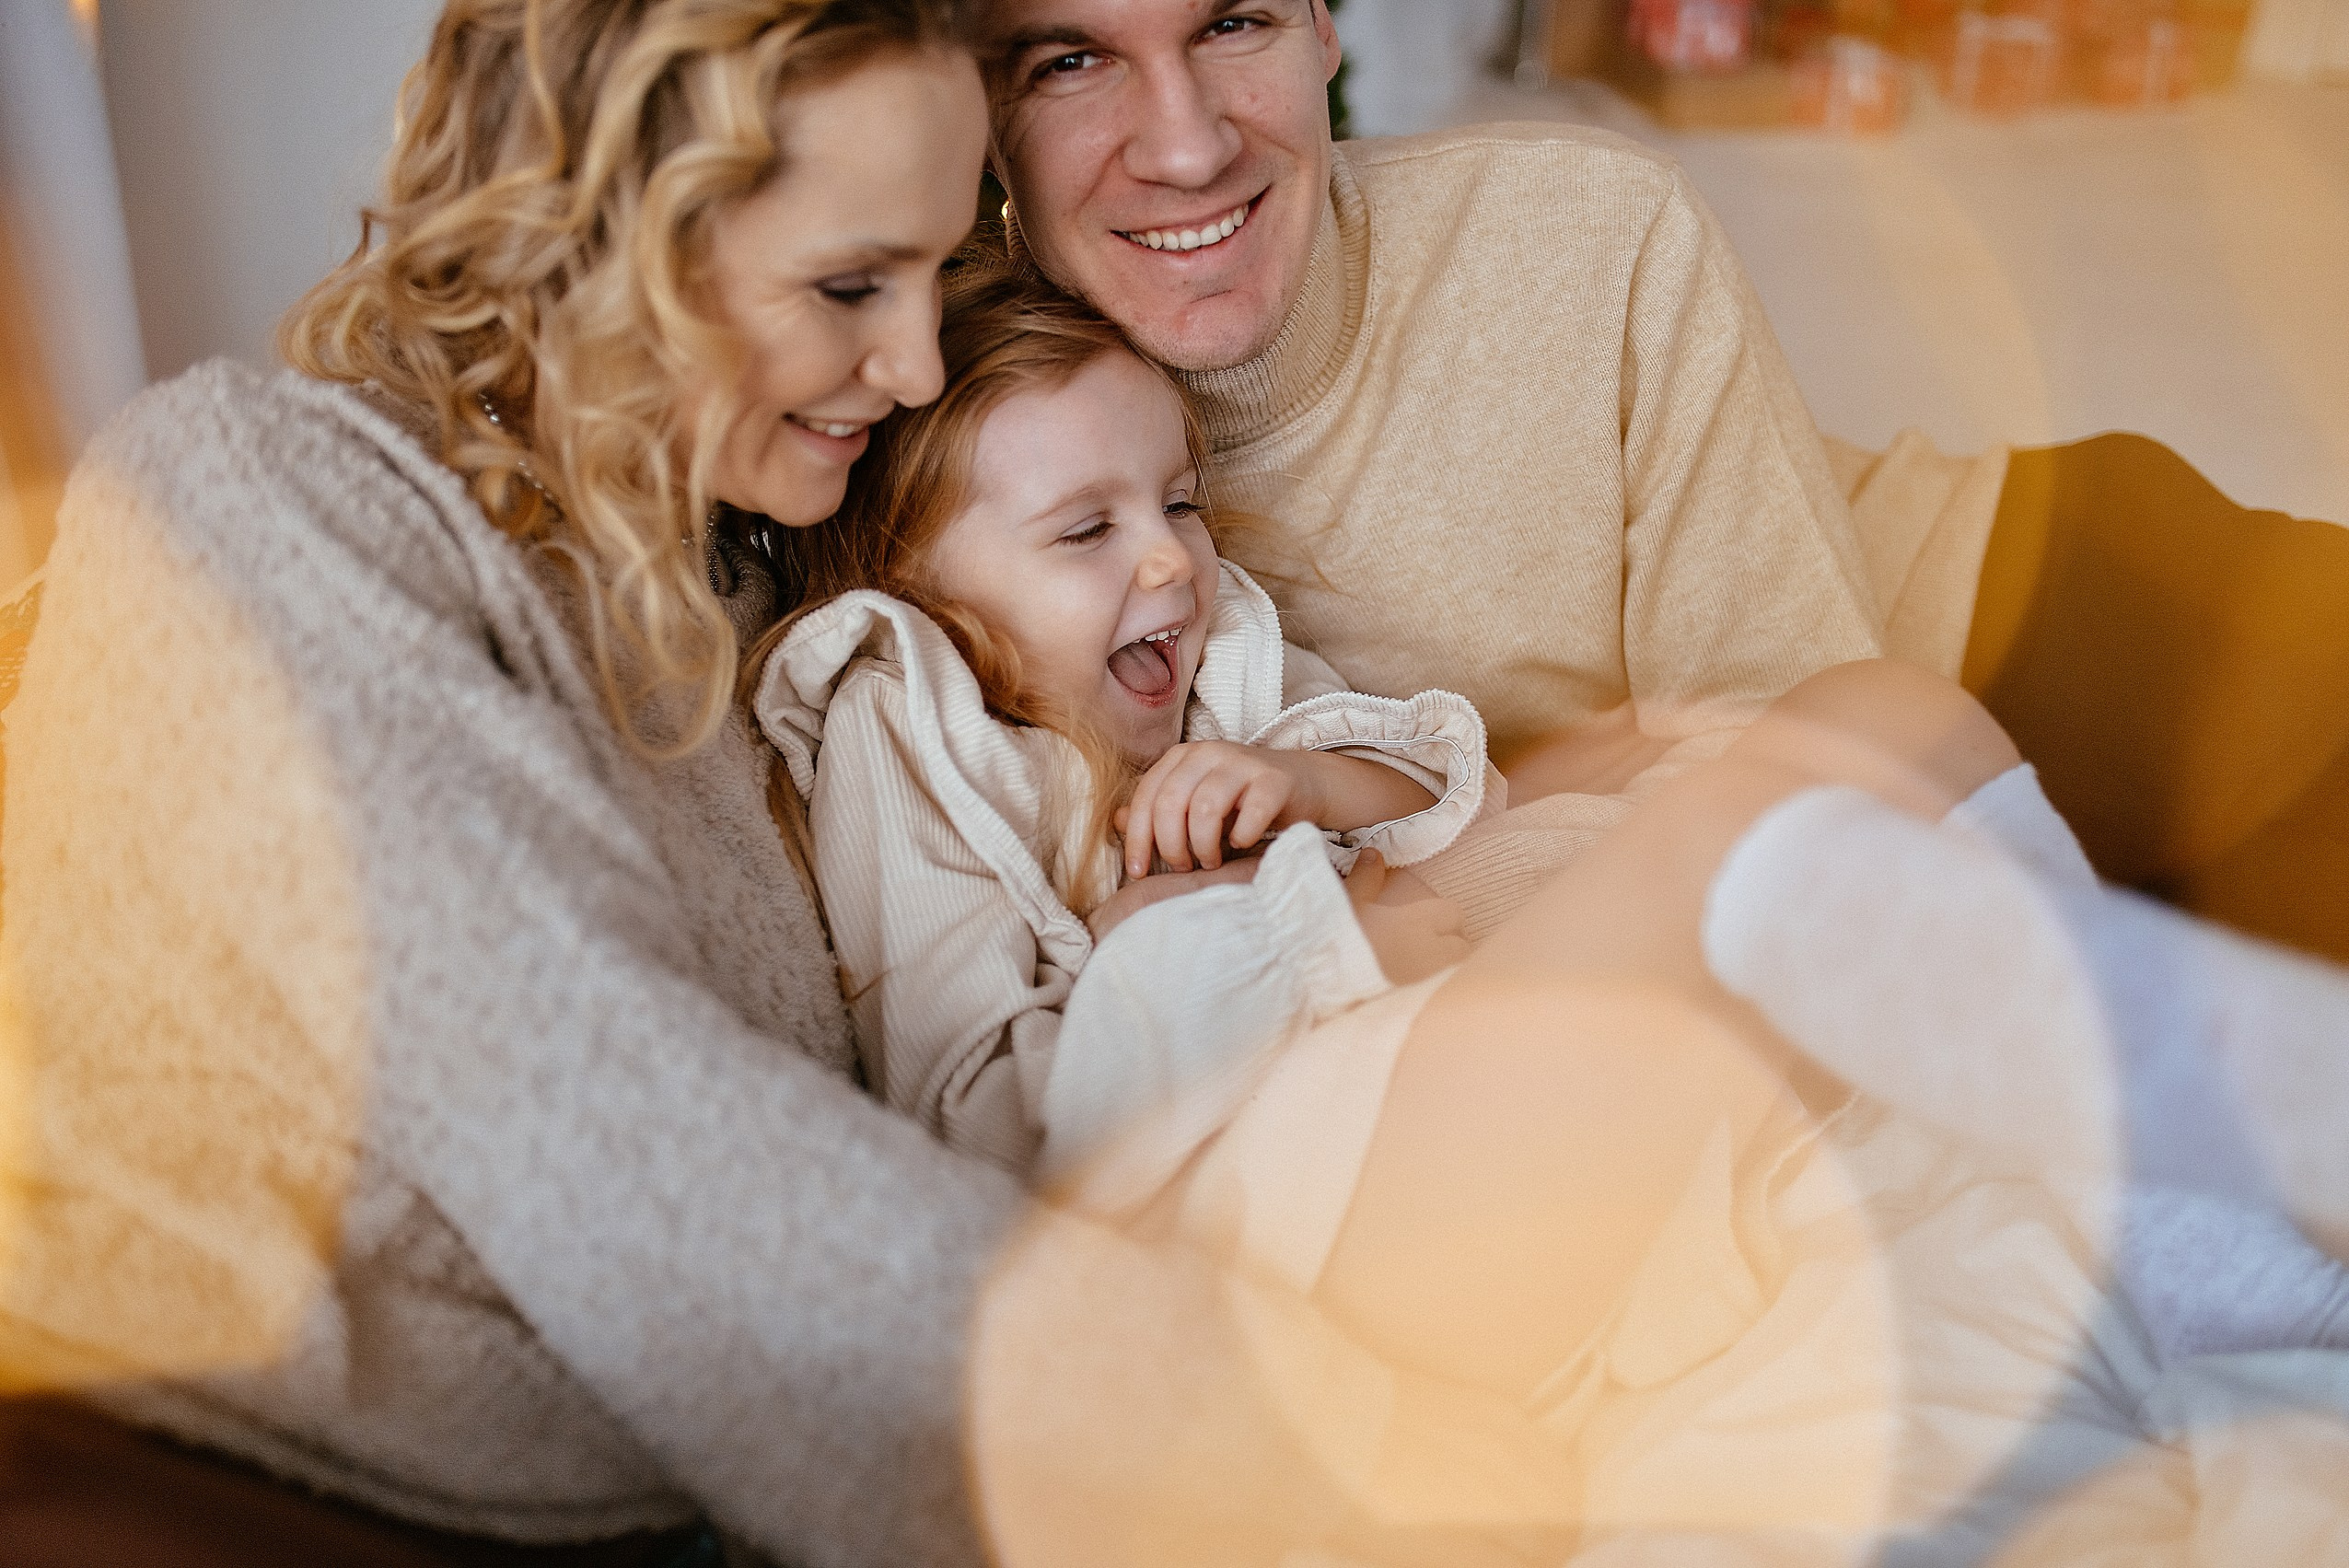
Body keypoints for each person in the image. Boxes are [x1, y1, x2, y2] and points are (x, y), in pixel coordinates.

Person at [0, 5, 1597, 1566]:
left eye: (924, 271)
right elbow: (627, 1149)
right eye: (849, 285)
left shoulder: (756, 576)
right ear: (615, 227)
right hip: (244, 1489)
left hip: (707, 1491)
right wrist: (1308, 1452)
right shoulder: (259, 503)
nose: (911, 368)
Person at [751, 257, 2349, 1549]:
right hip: (1281, 1212)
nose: (1169, 564)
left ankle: (2182, 1229)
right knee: (1762, 841)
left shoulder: (1219, 678)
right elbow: (963, 1112)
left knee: (1886, 713)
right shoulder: (916, 715)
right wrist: (1166, 940)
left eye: (1178, 505)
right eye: (1084, 532)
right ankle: (2234, 1228)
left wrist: (1312, 792)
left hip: (1461, 1103)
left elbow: (1448, 780)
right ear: (921, 587)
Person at [973, 0, 2349, 964]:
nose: (1189, 144)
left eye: (1232, 23)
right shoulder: (971, 439)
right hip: (1820, 852)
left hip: (2027, 623)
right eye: (1074, 60)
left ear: (1323, 27)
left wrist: (1435, 874)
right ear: (982, 112)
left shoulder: (1582, 227)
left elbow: (1796, 770)